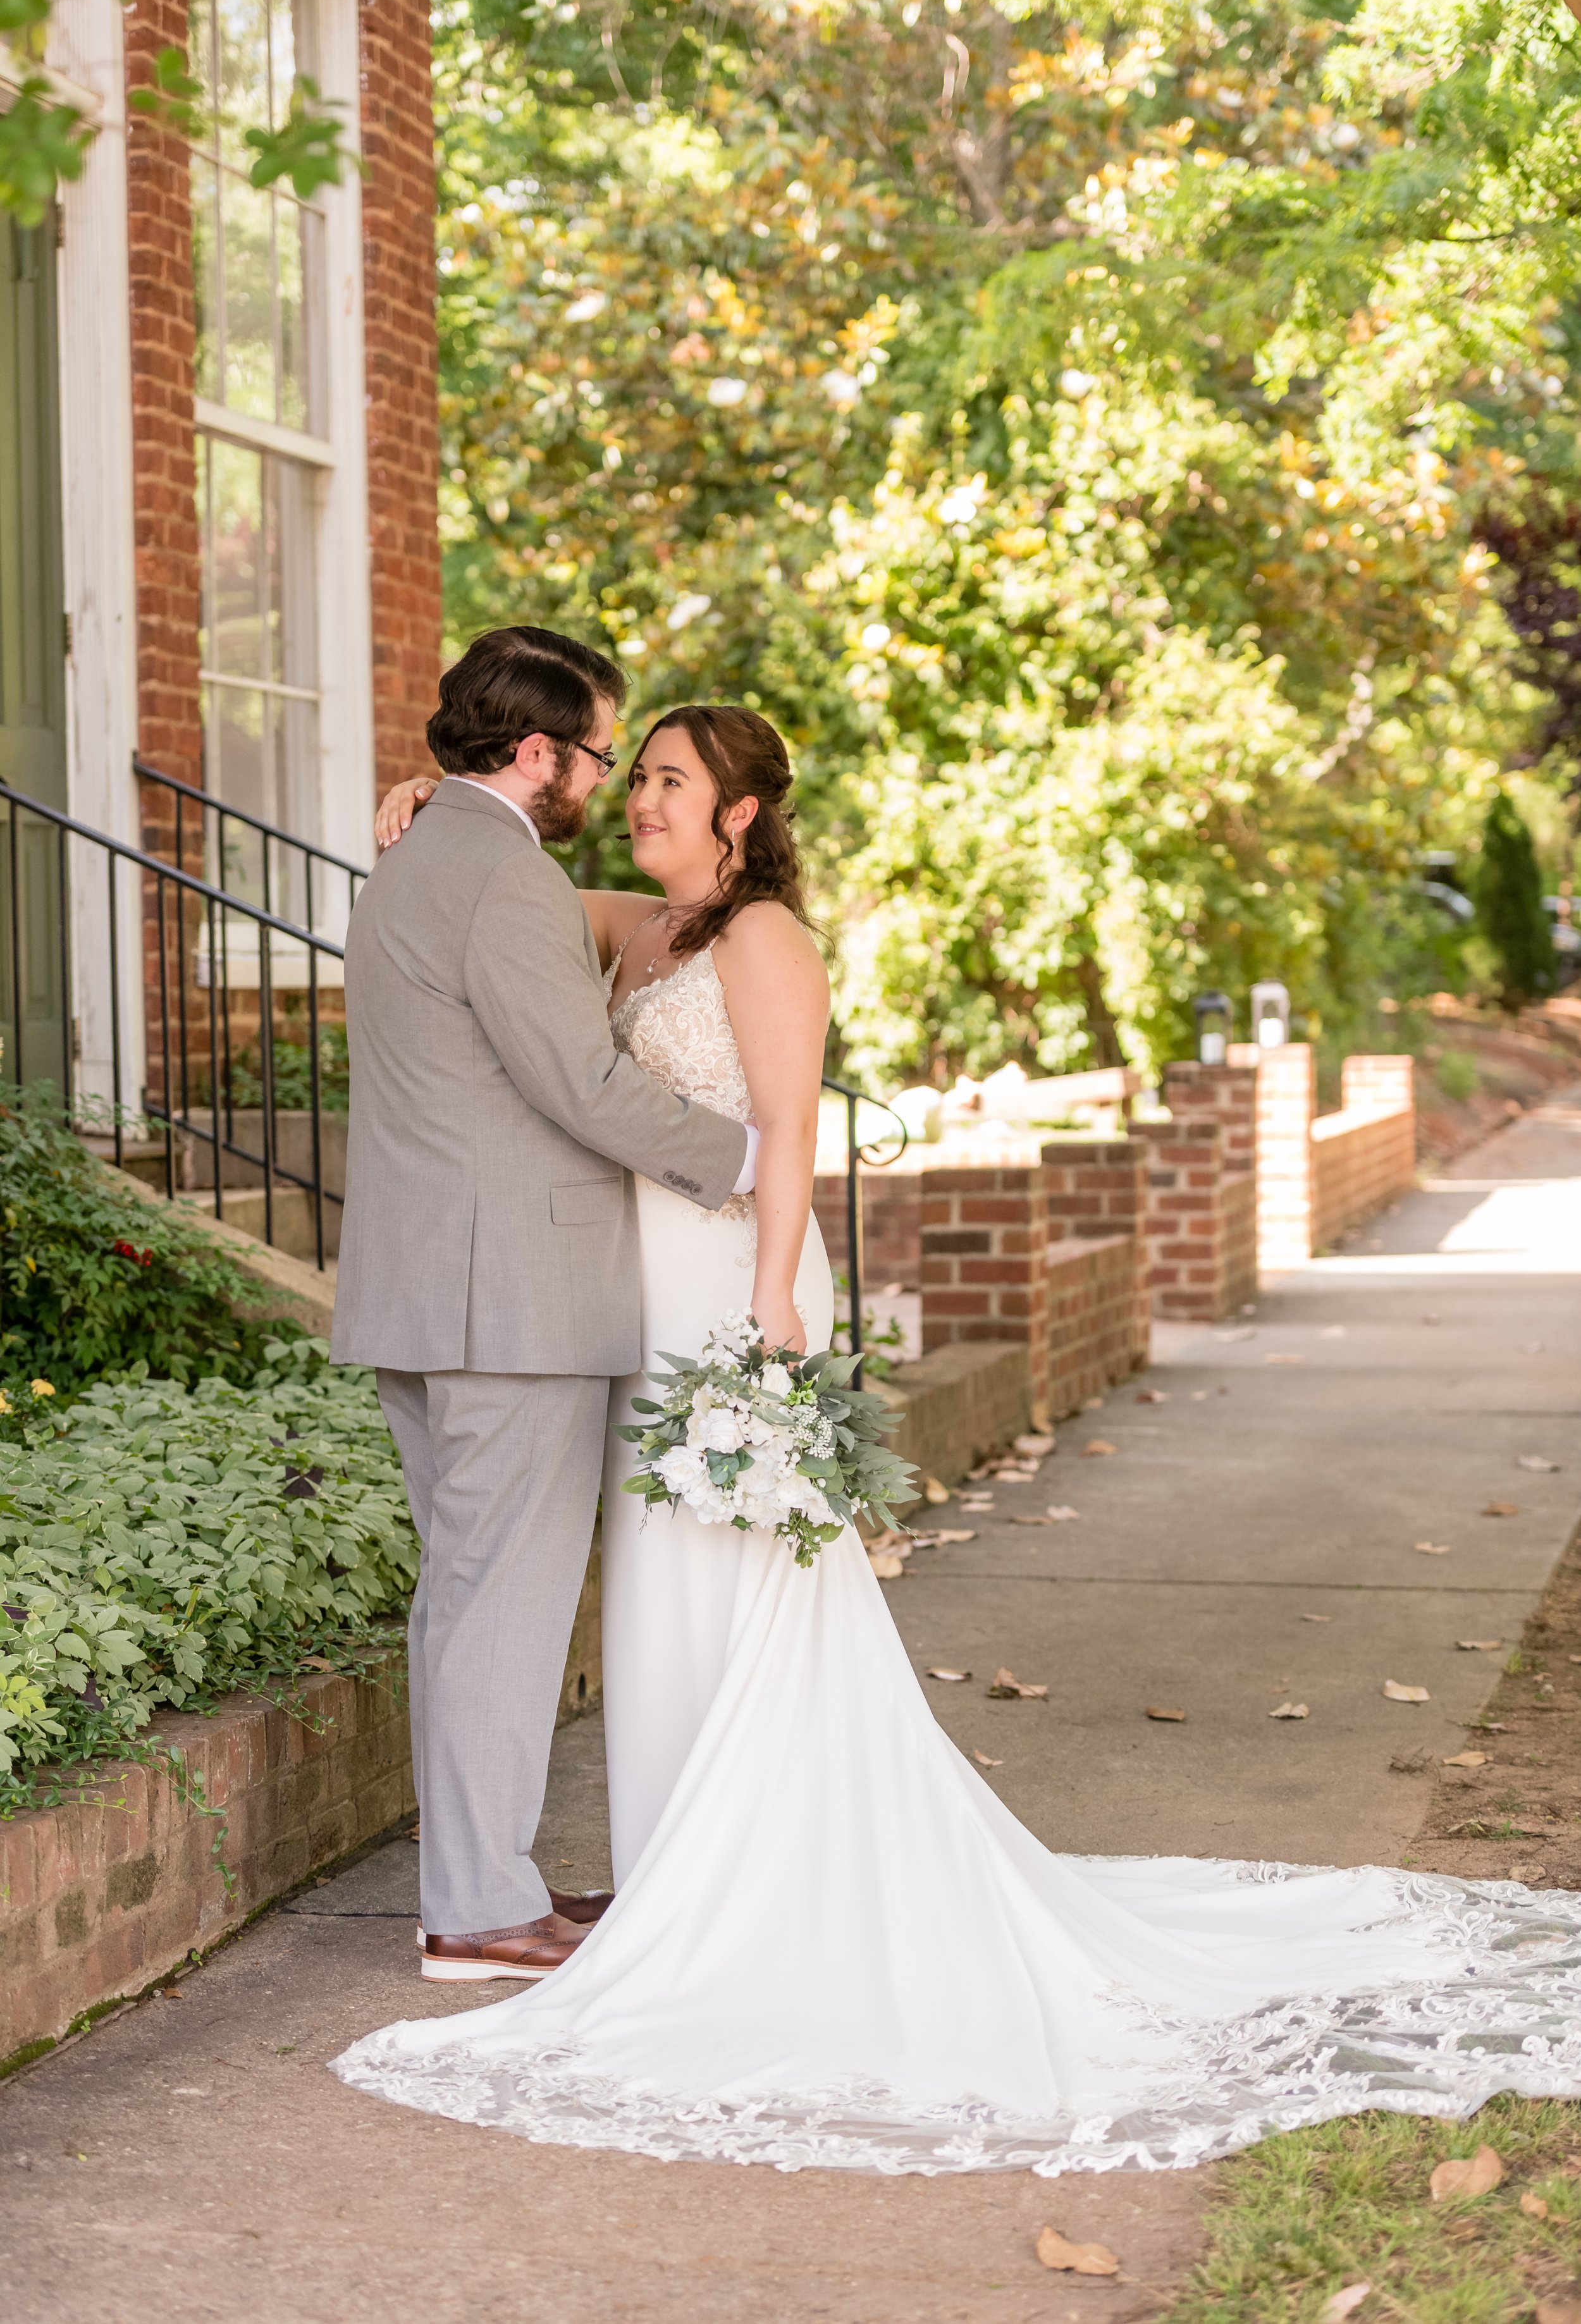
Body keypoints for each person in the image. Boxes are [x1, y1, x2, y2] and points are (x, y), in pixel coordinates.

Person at [334, 697, 1581, 2178]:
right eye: (630, 771)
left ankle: (764, 1877)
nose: (638, 798)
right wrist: (445, 790)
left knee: (738, 1577)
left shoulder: (764, 940)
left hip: (731, 1292)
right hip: (635, 1303)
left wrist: (772, 1312)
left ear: (738, 814)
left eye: (668, 781)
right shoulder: (636, 928)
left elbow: (787, 1133)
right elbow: (510, 879)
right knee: (663, 1584)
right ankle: (682, 1873)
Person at [330, 627, 758, 1986]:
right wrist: (749, 1159)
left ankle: (482, 1883)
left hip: (426, 1288)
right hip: (506, 1300)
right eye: (594, 754)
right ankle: (477, 1910)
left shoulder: (409, 862)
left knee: (467, 1599)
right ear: (535, 755)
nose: (606, 782)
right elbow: (579, 1085)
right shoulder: (502, 881)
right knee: (498, 1606)